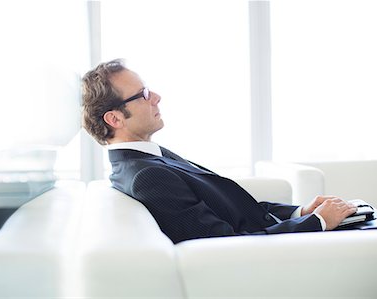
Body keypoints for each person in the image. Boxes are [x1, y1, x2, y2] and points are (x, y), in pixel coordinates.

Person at [81, 59, 357, 244]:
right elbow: (222, 239)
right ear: (114, 119)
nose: (156, 97)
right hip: (279, 253)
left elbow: (231, 209)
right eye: (142, 94)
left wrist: (300, 212)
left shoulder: (150, 157)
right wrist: (318, 223)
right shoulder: (146, 176)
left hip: (279, 234)